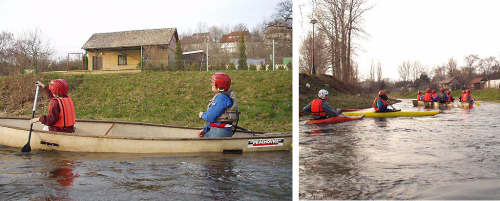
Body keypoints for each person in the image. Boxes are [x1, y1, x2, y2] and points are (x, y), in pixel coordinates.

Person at [198, 72, 239, 138]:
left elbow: (209, 117)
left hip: (219, 132)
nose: (211, 84)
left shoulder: (222, 98)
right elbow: (217, 120)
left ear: (219, 84)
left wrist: (202, 114)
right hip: (219, 130)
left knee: (199, 143)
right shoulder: (223, 97)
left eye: (213, 83)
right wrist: (205, 129)